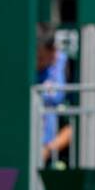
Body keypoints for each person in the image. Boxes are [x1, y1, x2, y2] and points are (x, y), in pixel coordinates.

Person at [36, 22, 73, 165]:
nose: (55, 54)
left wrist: (48, 149)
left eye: (55, 48)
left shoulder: (66, 66)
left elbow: (75, 126)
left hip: (51, 155)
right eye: (49, 49)